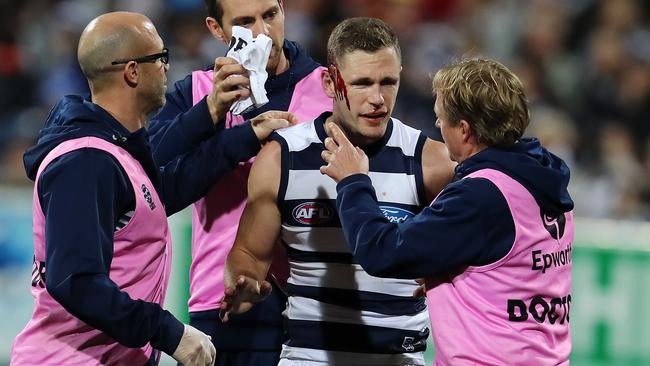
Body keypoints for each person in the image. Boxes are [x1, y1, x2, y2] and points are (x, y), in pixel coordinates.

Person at [11, 11, 296, 366]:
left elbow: (166, 192)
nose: (166, 67)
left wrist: (246, 135)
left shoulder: (114, 152)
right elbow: (75, 281)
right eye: (161, 58)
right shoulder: (85, 160)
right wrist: (168, 330)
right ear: (132, 71)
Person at [221, 17, 455, 365]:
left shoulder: (432, 162)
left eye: (388, 82)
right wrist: (245, 283)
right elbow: (250, 255)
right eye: (362, 83)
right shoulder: (281, 157)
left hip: (400, 358)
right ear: (330, 83)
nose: (378, 98)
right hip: (308, 357)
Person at [320, 57, 574, 365]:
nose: (438, 126)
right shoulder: (544, 181)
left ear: (464, 130)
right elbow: (503, 267)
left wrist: (353, 181)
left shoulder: (481, 194)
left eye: (441, 119)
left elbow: (381, 251)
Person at [147, 1, 331, 364]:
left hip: (319, 305)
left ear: (283, 9)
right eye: (246, 22)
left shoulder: (329, 88)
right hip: (225, 305)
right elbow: (152, 185)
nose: (263, 32)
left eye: (270, 15)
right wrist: (222, 122)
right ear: (217, 29)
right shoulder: (198, 93)